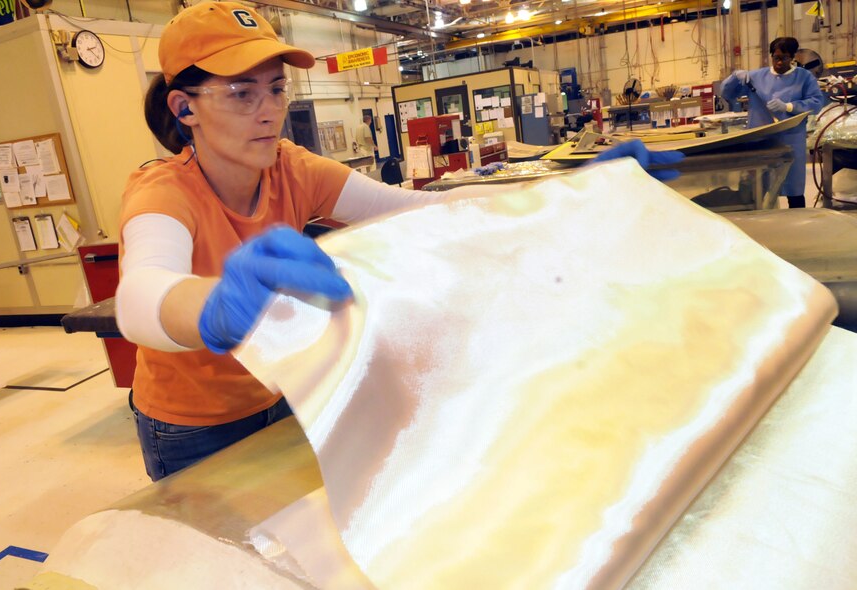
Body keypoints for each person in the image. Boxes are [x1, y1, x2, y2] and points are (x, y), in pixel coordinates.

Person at [117, 1, 683, 481]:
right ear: (184, 106)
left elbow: (416, 210)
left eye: (275, 89)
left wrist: (568, 191)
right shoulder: (164, 192)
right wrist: (216, 308)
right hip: (190, 424)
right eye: (241, 93)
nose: (268, 113)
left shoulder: (292, 168)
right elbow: (141, 295)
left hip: (280, 395)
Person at [721, 37, 824, 209]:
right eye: (775, 57)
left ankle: (798, 224)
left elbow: (816, 102)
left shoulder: (803, 77)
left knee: (794, 189)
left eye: (784, 58)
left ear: (792, 58)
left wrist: (789, 106)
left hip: (791, 141)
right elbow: (728, 93)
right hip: (761, 141)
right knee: (756, 189)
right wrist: (734, 77)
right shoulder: (756, 77)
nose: (779, 62)